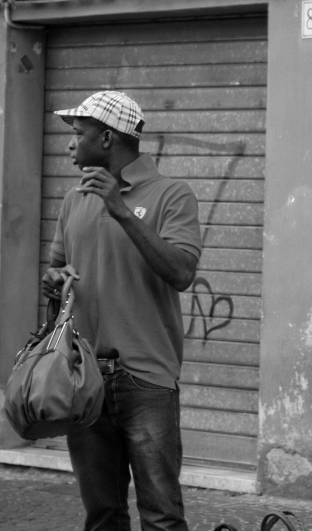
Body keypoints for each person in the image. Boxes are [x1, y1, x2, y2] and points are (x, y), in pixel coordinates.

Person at [41, 91, 201, 531]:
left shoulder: (173, 194)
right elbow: (56, 270)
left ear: (108, 138)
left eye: (78, 135)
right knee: (103, 515)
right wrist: (53, 282)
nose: (70, 145)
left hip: (146, 379)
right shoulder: (74, 199)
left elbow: (182, 272)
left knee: (162, 518)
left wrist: (123, 211)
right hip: (85, 377)